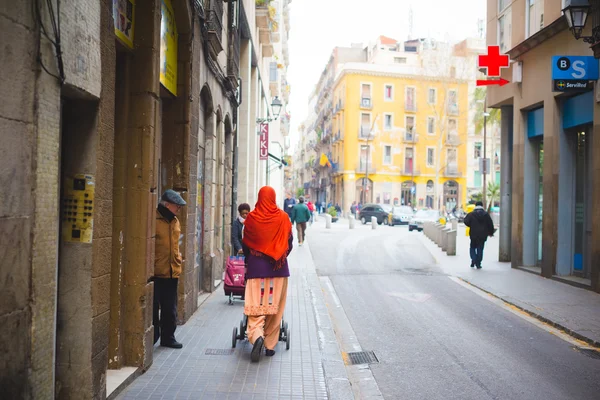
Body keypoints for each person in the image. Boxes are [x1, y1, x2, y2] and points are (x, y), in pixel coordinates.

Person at [242, 186, 293, 362]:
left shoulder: (252, 218)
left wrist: (251, 260)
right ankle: (270, 346)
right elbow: (289, 243)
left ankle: (257, 337)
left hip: (256, 271)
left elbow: (246, 244)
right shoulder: (283, 218)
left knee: (255, 307)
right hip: (278, 271)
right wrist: (278, 255)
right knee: (274, 310)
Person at [153, 189, 187, 349]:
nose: (179, 209)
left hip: (172, 271)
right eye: (177, 206)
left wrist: (179, 259)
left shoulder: (175, 221)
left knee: (170, 308)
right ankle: (153, 336)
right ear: (167, 205)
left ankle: (168, 337)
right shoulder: (154, 219)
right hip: (156, 271)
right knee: (153, 307)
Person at [463, 201, 495, 269]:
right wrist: (491, 233)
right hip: (483, 235)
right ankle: (478, 263)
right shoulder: (486, 214)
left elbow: (466, 221)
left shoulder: (471, 214)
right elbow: (490, 224)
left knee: (472, 248)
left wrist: (471, 224)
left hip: (473, 234)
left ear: (475, 205)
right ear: (482, 206)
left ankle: (474, 259)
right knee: (480, 248)